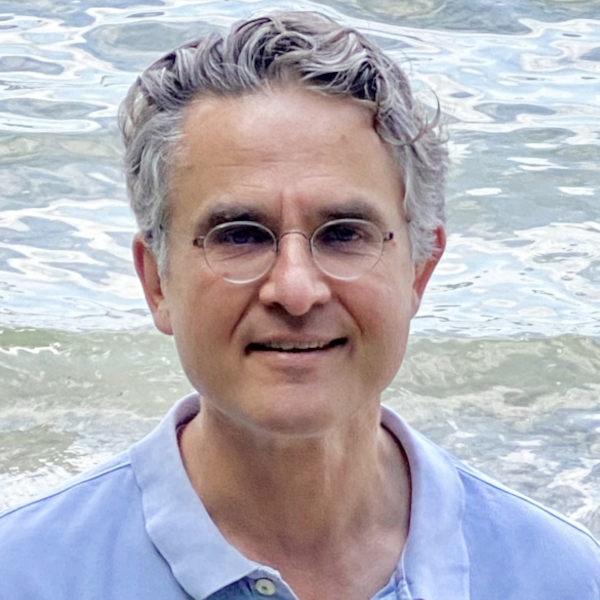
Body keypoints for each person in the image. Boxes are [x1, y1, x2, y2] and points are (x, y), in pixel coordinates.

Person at [1, 10, 599, 600]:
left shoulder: (559, 577)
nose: (294, 289)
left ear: (420, 269)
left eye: (343, 233)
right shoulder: (26, 575)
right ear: (157, 281)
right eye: (240, 234)